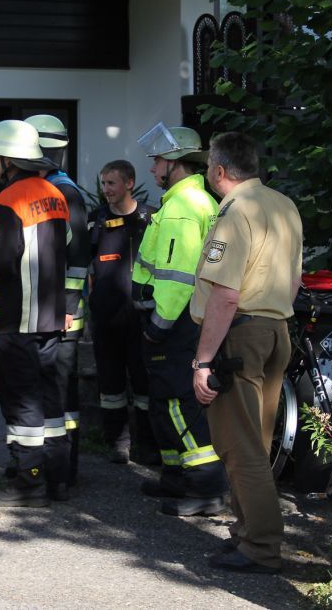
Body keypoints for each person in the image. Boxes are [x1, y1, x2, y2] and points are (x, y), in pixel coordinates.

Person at [191, 131, 302, 574]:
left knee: (242, 448)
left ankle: (259, 545)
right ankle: (247, 535)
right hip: (276, 328)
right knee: (257, 440)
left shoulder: (235, 213)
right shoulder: (284, 205)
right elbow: (294, 278)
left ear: (219, 171)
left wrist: (202, 360)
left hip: (240, 334)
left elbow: (225, 294)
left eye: (207, 168)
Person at [132, 125, 227, 517]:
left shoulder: (183, 208)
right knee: (163, 399)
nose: (153, 168)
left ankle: (205, 486)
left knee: (176, 400)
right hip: (182, 319)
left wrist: (159, 324)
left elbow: (177, 277)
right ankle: (176, 475)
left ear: (173, 163)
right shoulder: (187, 202)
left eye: (157, 160)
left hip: (175, 322)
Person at [0, 119, 71, 506]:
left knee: (21, 404)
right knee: (50, 402)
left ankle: (28, 483)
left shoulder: (8, 201)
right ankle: (56, 478)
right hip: (50, 318)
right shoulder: (56, 194)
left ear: (7, 159)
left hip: (17, 320)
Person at [24, 114, 90, 484]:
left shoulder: (64, 192)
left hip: (62, 317)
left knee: (60, 395)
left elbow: (79, 257)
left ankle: (62, 471)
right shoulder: (51, 188)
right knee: (49, 392)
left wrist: (67, 306)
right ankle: (52, 467)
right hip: (49, 313)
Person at [87, 160, 155, 465]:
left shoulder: (151, 219)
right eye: (103, 184)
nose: (106, 190)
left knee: (145, 385)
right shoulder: (96, 221)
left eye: (111, 183)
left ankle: (148, 445)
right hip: (106, 317)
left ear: (129, 183)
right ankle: (117, 442)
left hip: (143, 318)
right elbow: (84, 266)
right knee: (110, 385)